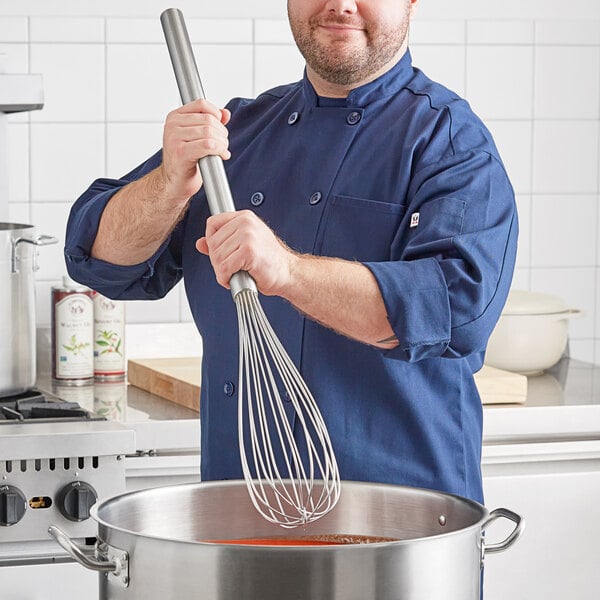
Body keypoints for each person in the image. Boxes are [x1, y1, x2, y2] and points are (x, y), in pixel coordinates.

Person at [65, 0, 517, 506]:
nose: (340, 4)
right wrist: (170, 182)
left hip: (402, 527)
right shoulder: (239, 134)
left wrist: (287, 271)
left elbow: (455, 311)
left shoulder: (447, 139)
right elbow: (101, 260)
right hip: (240, 511)